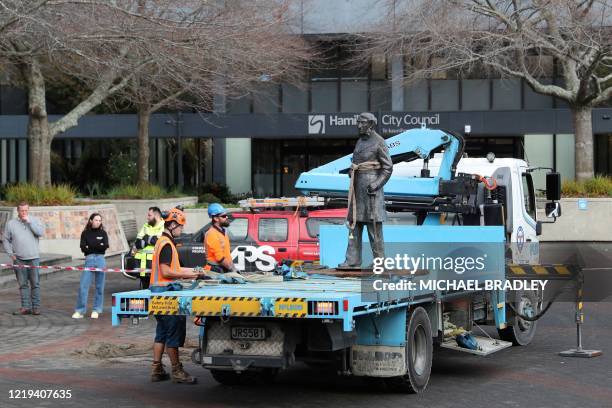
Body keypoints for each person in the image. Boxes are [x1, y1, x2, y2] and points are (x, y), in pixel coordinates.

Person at [150, 207, 200, 384]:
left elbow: (175, 269)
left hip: (157, 294)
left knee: (161, 333)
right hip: (166, 295)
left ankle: (156, 369)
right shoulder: (167, 244)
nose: (181, 230)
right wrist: (190, 275)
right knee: (173, 332)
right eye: (179, 226)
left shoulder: (162, 241)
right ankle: (177, 371)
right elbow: (167, 271)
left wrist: (195, 271)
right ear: (171, 224)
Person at [338, 112, 393, 268]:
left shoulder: (379, 142)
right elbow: (357, 163)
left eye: (362, 123)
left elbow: (387, 168)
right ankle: (352, 260)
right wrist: (352, 170)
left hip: (371, 193)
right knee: (354, 226)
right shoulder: (360, 141)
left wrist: (376, 184)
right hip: (357, 190)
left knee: (374, 229)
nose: (359, 125)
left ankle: (379, 263)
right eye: (358, 122)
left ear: (371, 124)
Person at [2, 201, 45, 315]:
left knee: (35, 283)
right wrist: (11, 254)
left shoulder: (35, 220)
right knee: (22, 284)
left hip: (33, 258)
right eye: (22, 211)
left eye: (26, 210)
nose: (24, 212)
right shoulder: (11, 223)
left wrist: (30, 222)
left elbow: (40, 232)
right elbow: (5, 239)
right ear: (18, 211)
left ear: (28, 210)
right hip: (19, 259)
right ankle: (25, 307)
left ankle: (36, 307)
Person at [72, 213, 109, 319]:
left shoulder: (103, 233)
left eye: (100, 220)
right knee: (83, 285)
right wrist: (97, 245)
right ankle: (80, 310)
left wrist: (92, 245)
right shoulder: (85, 233)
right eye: (96, 220)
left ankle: (96, 309)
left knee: (99, 286)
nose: (98, 222)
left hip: (100, 259)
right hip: (89, 259)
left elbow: (105, 246)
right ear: (91, 221)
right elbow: (83, 247)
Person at [133, 206, 164, 287]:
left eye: (149, 215)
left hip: (155, 268)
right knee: (144, 292)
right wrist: (150, 240)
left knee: (155, 293)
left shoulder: (163, 226)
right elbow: (138, 243)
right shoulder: (146, 226)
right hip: (143, 267)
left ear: (156, 216)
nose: (147, 217)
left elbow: (158, 241)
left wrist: (146, 238)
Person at [204, 203, 237, 273]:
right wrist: (232, 270)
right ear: (216, 218)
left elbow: (227, 255)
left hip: (222, 268)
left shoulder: (223, 232)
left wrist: (233, 268)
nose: (226, 217)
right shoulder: (211, 234)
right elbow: (220, 258)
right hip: (214, 270)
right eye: (224, 216)